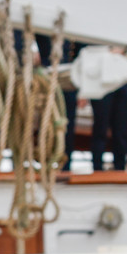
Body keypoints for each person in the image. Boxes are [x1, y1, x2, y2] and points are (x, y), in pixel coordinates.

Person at [36, 34, 84, 170]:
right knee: (45, 124)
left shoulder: (73, 34)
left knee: (67, 125)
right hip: (46, 83)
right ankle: (45, 161)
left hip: (69, 83)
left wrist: (82, 91)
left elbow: (80, 59)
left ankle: (65, 163)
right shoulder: (42, 32)